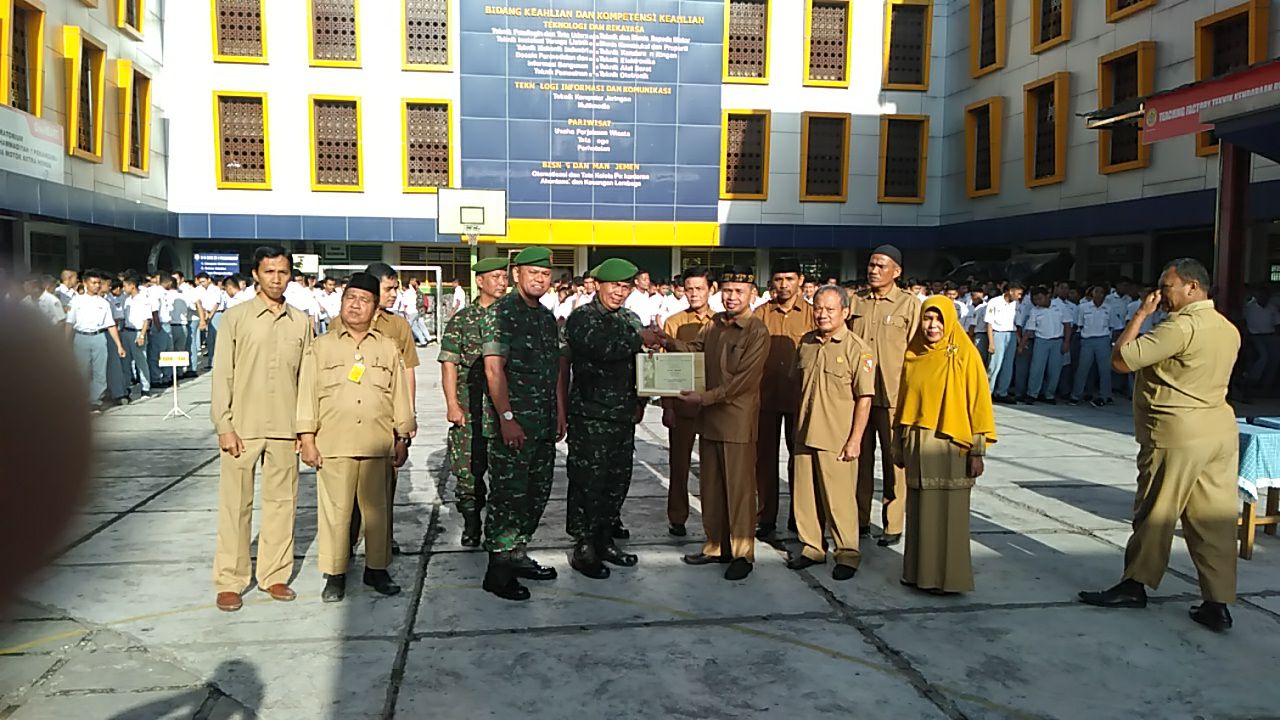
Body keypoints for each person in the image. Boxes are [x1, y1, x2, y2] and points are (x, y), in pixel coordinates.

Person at [1079, 259, 1242, 632]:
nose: (1159, 295)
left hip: (1177, 432)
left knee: (1156, 512)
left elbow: (1121, 359)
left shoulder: (1181, 327)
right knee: (1212, 521)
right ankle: (1217, 601)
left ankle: (1134, 584)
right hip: (1218, 430)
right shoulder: (1227, 328)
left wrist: (1140, 315)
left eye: (1166, 287)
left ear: (1192, 288)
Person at [297, 272, 415, 603]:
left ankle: (376, 570)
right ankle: (335, 574)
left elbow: (399, 394)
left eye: (364, 301)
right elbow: (306, 393)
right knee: (336, 512)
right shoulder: (321, 347)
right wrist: (307, 437)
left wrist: (402, 436)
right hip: (334, 443)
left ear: (375, 309)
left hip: (377, 442)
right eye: (350, 298)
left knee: (377, 512)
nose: (355, 305)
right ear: (341, 302)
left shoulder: (388, 348)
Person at [209, 246, 313, 612]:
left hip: (285, 427)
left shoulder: (301, 322)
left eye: (283, 272)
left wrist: (306, 429)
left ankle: (275, 575)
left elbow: (306, 380)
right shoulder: (235, 319)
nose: (276, 279)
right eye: (269, 272)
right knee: (235, 506)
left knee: (282, 505)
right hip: (243, 426)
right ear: (255, 274)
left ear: (290, 276)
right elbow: (222, 374)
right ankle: (231, 579)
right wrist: (224, 424)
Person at [664, 266, 769, 581]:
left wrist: (704, 399)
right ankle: (714, 545)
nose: (732, 296)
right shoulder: (714, 327)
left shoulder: (756, 331)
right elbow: (692, 351)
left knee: (739, 491)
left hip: (736, 421)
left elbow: (743, 383)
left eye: (739, 291)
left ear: (752, 294)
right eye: (727, 290)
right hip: (709, 422)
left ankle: (742, 552)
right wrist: (666, 342)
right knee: (711, 488)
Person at [479, 247, 567, 601]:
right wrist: (507, 418)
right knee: (508, 496)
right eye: (533, 273)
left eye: (545, 275)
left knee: (535, 493)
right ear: (516, 275)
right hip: (514, 425)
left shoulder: (546, 318)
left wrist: (560, 412)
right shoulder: (501, 313)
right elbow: (492, 369)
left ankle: (517, 554)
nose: (540, 280)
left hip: (543, 424)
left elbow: (556, 371)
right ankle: (498, 570)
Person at [564, 258, 660, 579]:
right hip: (591, 415)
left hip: (622, 415)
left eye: (625, 286)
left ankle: (605, 539)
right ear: (599, 285)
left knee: (617, 480)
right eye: (614, 285)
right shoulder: (582, 318)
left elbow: (640, 364)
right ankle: (584, 545)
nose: (620, 292)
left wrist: (642, 399)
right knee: (587, 481)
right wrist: (640, 338)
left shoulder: (630, 318)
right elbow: (602, 348)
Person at [893, 297, 996, 595]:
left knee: (948, 515)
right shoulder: (913, 353)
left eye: (939, 319)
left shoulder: (964, 353)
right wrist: (897, 445)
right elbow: (903, 402)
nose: (932, 326)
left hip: (951, 445)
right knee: (919, 511)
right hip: (917, 443)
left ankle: (948, 579)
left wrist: (977, 450)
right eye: (927, 319)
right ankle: (918, 574)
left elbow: (978, 404)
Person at [786, 285, 875, 581]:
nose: (821, 314)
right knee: (805, 497)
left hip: (837, 438)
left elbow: (865, 398)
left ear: (846, 313)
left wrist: (855, 440)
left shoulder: (857, 349)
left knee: (839, 500)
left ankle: (847, 552)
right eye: (818, 308)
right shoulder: (806, 342)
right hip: (805, 432)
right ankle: (812, 547)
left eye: (829, 309)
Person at [331, 263, 421, 556]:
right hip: (346, 420)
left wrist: (408, 418)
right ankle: (346, 543)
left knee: (384, 490)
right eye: (389, 288)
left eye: (395, 288)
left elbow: (407, 372)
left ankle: (381, 544)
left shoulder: (398, 326)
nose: (394, 294)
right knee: (345, 494)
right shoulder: (338, 325)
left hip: (383, 419)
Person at [848, 245, 921, 547]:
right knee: (859, 461)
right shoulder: (856, 302)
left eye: (881, 266)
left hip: (893, 397)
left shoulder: (909, 305)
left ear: (897, 271)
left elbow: (917, 352)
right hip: (859, 397)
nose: (874, 270)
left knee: (895, 463)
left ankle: (893, 524)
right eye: (871, 265)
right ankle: (860, 519)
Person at [439, 257, 509, 547]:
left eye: (504, 277)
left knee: (504, 474)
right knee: (468, 472)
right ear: (480, 281)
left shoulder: (512, 317)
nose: (502, 282)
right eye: (495, 277)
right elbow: (449, 364)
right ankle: (471, 524)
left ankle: (501, 530)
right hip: (470, 406)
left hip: (503, 408)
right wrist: (452, 404)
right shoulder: (463, 319)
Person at [751, 258, 815, 538]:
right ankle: (765, 515)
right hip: (765, 397)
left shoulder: (813, 315)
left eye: (789, 278)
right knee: (764, 460)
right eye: (778, 279)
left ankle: (798, 516)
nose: (784, 285)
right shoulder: (760, 314)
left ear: (800, 280)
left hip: (799, 399)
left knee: (800, 460)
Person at [661, 268, 714, 537]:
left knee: (712, 466)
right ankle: (678, 516)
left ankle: (714, 518)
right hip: (682, 403)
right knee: (679, 464)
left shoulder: (721, 322)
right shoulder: (673, 323)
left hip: (713, 406)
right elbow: (666, 368)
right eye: (689, 289)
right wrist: (668, 407)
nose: (694, 294)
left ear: (710, 290)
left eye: (699, 289)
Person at [66, 269, 127, 411]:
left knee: (99, 371)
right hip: (81, 337)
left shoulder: (104, 303)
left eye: (99, 283)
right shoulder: (76, 301)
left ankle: (95, 401)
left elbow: (110, 324)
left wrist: (119, 345)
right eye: (93, 283)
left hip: (99, 337)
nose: (97, 286)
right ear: (85, 283)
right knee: (82, 371)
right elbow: (69, 323)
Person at [1020, 286, 1071, 404]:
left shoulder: (1060, 306)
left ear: (1048, 296)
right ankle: (1032, 393)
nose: (1038, 302)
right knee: (1036, 368)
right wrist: (1022, 345)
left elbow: (1067, 325)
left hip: (1057, 341)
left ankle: (1049, 394)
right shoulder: (1035, 311)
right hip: (1041, 341)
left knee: (1055, 370)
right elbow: (1029, 330)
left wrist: (1067, 342)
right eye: (1035, 300)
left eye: (1040, 298)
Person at [1071, 285, 1114, 408]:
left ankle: (1105, 395)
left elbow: (1112, 325)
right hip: (1087, 339)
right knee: (1082, 369)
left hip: (1103, 339)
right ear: (1092, 294)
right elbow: (1079, 324)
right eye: (1097, 292)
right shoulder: (1083, 307)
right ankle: (1076, 395)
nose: (1099, 294)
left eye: (1102, 292)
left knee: (1104, 370)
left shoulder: (1109, 308)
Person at [983, 282, 1023, 403]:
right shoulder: (994, 302)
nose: (1020, 296)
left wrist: (1019, 340)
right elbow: (989, 323)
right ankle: (987, 392)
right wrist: (991, 342)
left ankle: (1002, 392)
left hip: (1011, 334)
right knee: (994, 366)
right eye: (1018, 293)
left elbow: (1016, 323)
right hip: (997, 333)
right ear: (1011, 291)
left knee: (1008, 365)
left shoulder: (1016, 304)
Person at [120, 274, 154, 398]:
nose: (123, 289)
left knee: (141, 360)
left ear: (132, 286)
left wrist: (142, 335)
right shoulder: (127, 299)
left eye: (125, 286)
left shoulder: (143, 299)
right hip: (127, 331)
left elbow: (147, 319)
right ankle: (126, 387)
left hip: (138, 331)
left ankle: (145, 387)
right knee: (126, 362)